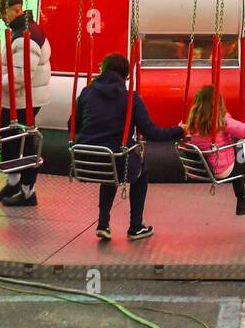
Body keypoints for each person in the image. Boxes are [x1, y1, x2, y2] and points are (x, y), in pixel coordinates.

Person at [73, 52, 183, 241]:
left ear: (103, 70)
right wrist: (179, 131)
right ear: (125, 76)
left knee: (110, 169)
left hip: (84, 159)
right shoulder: (129, 98)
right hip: (113, 158)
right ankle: (136, 226)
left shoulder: (86, 92)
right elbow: (152, 133)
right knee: (141, 168)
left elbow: (73, 126)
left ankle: (103, 222)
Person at [0, 0, 51, 207]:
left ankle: (28, 192)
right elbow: (12, 64)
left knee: (23, 144)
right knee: (9, 141)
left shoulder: (25, 36)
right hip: (17, 98)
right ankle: (14, 182)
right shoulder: (21, 31)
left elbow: (20, 76)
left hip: (23, 100)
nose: (2, 18)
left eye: (3, 14)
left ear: (16, 10)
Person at [181, 85, 245, 225]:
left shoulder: (194, 121)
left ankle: (243, 200)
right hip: (222, 169)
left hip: (209, 166)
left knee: (240, 145)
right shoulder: (222, 120)